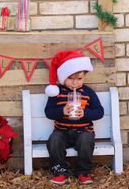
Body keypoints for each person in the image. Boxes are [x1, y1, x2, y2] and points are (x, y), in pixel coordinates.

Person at [44, 50, 104, 185]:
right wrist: (62, 111)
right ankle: (60, 171)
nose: (75, 83)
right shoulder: (57, 92)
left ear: (84, 77)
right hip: (62, 131)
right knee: (54, 140)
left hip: (83, 131)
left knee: (86, 139)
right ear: (63, 77)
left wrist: (85, 114)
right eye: (71, 78)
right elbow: (48, 112)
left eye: (79, 79)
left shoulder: (88, 92)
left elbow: (99, 112)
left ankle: (83, 172)